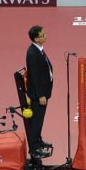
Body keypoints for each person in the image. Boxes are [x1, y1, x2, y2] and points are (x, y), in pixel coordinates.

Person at [25, 26, 54, 159]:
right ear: (36, 38)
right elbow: (35, 76)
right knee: (36, 121)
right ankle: (34, 148)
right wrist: (41, 95)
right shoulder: (32, 54)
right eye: (42, 35)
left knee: (39, 120)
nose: (45, 36)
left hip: (43, 93)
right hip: (38, 95)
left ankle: (38, 140)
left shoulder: (39, 50)